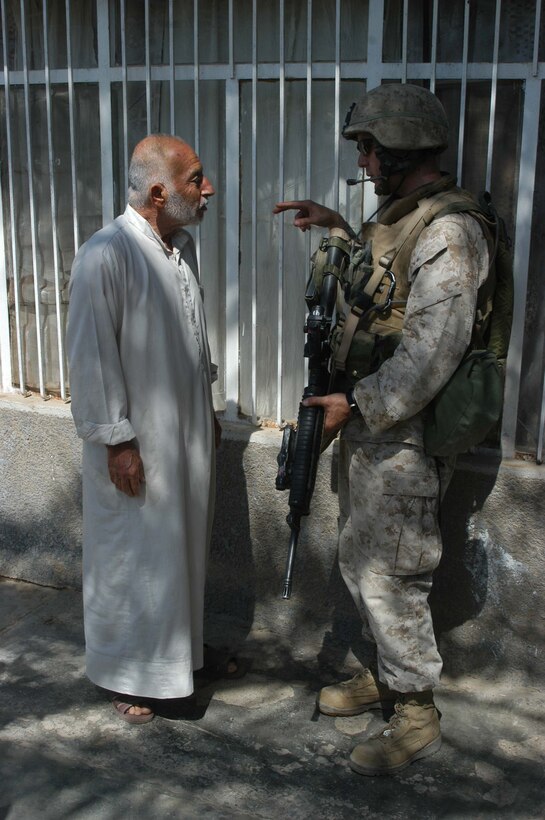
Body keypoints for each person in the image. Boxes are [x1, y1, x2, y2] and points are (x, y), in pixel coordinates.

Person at [274, 84, 493, 775]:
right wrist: (340, 228)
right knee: (362, 560)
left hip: (404, 434)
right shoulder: (405, 217)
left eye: (369, 149)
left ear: (401, 149)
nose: (363, 162)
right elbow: (384, 289)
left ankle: (415, 709)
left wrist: (355, 404)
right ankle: (387, 675)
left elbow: (431, 353)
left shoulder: (451, 232)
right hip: (375, 424)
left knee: (393, 573)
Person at [67, 134, 224, 724]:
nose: (207, 190)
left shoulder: (179, 250)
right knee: (133, 557)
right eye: (195, 180)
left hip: (185, 437)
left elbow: (190, 339)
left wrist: (207, 409)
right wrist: (117, 442)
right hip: (135, 446)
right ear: (159, 193)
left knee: (178, 553)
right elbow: (91, 357)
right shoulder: (106, 254)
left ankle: (181, 658)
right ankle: (129, 674)